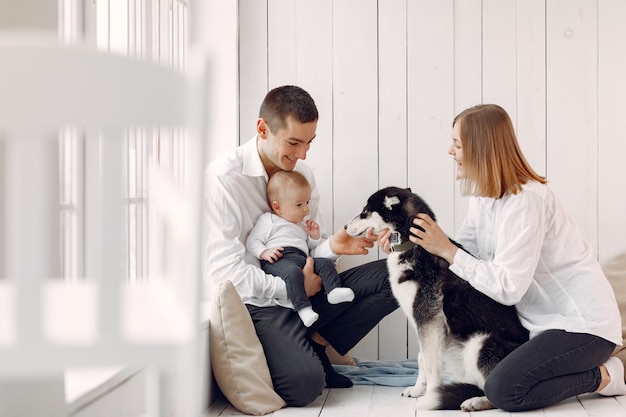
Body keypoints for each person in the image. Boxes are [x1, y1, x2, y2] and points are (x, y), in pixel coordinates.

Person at [385, 103, 625, 411]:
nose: (450, 151)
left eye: (457, 144)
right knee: (494, 378)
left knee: (505, 390)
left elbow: (507, 286)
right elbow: (458, 256)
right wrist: (399, 241)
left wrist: (446, 248)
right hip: (533, 324)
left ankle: (606, 376)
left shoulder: (527, 200)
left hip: (579, 325)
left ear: (480, 148)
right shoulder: (484, 195)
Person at [204, 85, 398, 406]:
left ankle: (318, 340)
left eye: (309, 142)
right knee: (305, 386)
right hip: (262, 304)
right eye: (294, 142)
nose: (303, 154)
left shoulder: (302, 173)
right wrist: (293, 289)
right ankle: (302, 347)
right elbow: (225, 273)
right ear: (262, 129)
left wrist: (334, 246)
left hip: (306, 290)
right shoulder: (224, 181)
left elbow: (307, 249)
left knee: (402, 274)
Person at [246, 170, 355, 327]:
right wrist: (264, 252)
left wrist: (314, 236)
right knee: (293, 273)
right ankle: (303, 308)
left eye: (307, 202)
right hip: (279, 259)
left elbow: (311, 249)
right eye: (299, 204)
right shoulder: (268, 220)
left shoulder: (302, 224)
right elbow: (253, 241)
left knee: (324, 263)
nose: (306, 209)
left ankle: (333, 291)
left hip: (302, 258)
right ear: (277, 207)